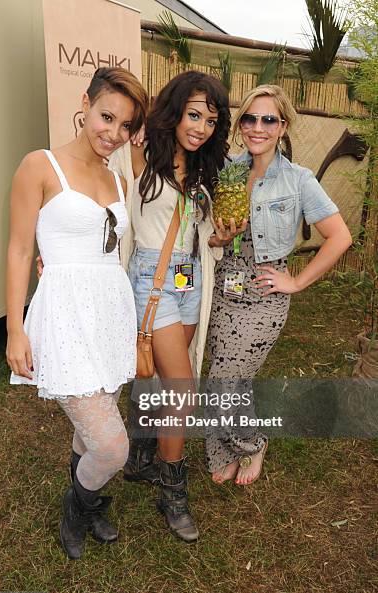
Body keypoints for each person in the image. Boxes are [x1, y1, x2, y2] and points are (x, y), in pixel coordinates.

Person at [6, 67, 148, 559]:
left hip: (108, 311)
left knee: (92, 426)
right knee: (113, 445)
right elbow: (20, 251)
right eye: (106, 116)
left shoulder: (116, 176)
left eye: (126, 126)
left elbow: (108, 248)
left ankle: (87, 506)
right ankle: (77, 504)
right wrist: (14, 330)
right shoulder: (39, 166)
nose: (113, 133)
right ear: (85, 102)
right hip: (65, 315)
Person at [109, 71, 238, 542]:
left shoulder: (205, 169)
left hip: (189, 278)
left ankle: (142, 455)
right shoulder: (143, 149)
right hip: (152, 279)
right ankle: (173, 491)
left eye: (211, 119)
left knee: (166, 380)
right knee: (182, 391)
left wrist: (219, 238)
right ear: (177, 109)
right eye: (194, 114)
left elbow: (199, 233)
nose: (201, 126)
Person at [205, 84, 352, 486]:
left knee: (222, 383)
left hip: (265, 293)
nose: (258, 127)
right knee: (230, 373)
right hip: (225, 285)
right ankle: (224, 450)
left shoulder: (298, 180)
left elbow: (340, 237)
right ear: (240, 124)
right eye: (250, 118)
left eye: (268, 119)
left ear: (282, 126)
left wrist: (298, 281)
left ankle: (253, 443)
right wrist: (217, 239)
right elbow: (212, 233)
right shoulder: (228, 170)